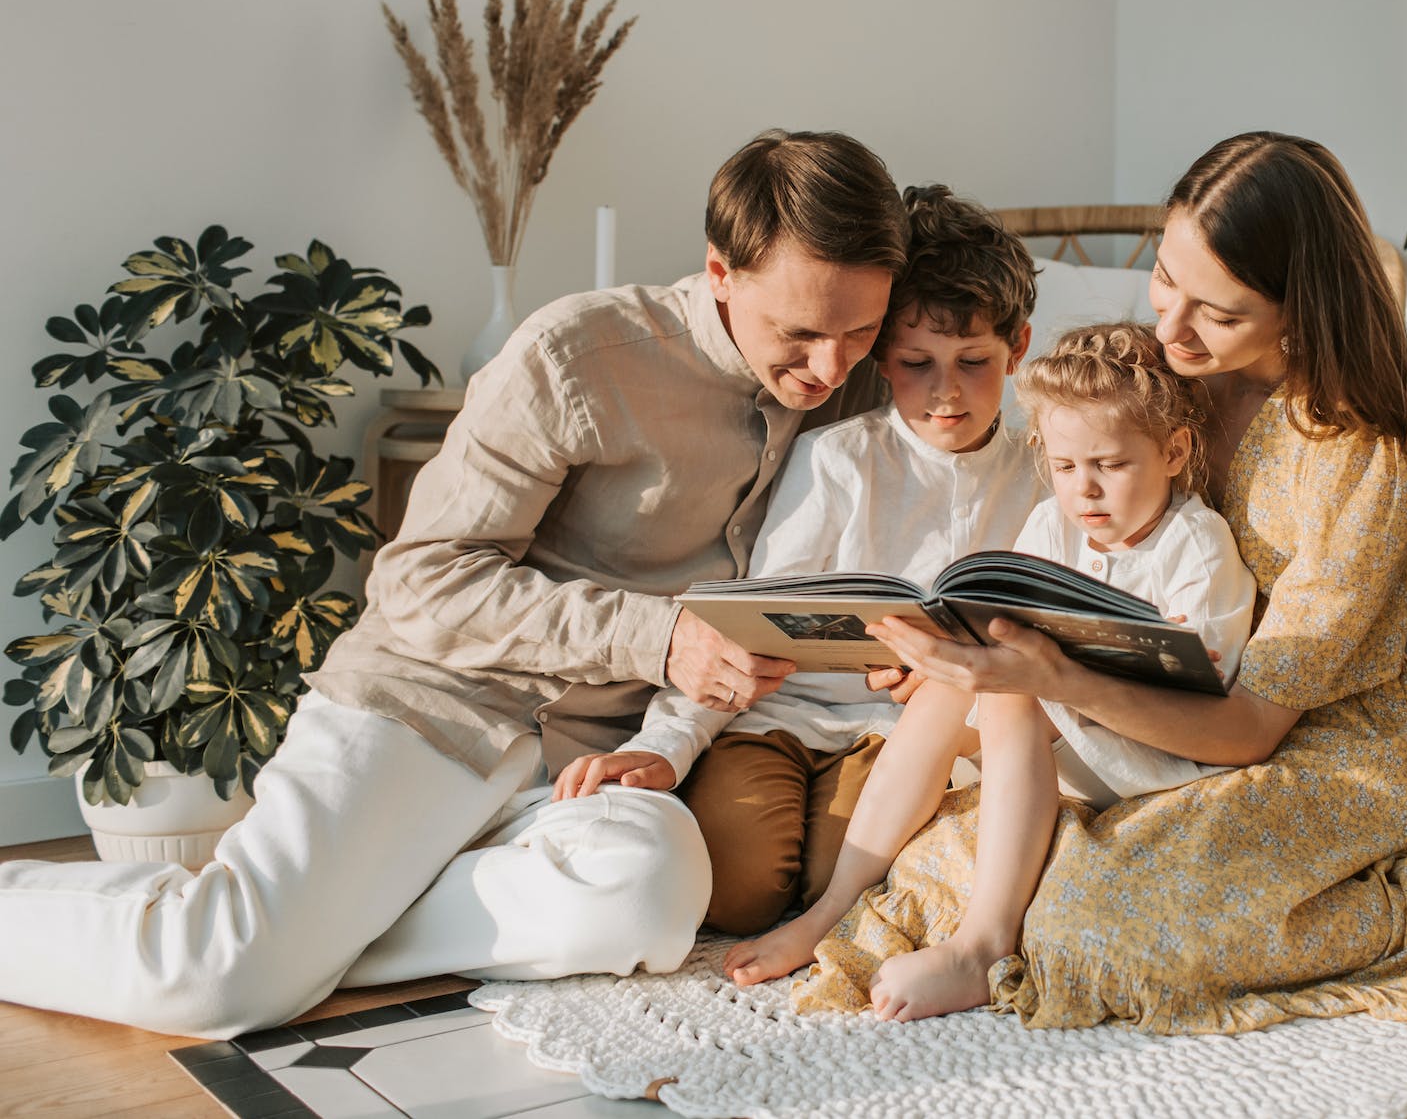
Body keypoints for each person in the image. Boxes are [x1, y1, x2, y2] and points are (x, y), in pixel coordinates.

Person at [794, 132, 1407, 1032]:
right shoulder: (1166, 387)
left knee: (1102, 932)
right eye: (1166, 279)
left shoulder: (1362, 461)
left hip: (1313, 750)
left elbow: (1250, 729)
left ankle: (1380, 901)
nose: (1170, 325)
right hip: (1138, 708)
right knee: (947, 841)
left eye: (1218, 309)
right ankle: (1010, 899)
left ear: (1300, 305)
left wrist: (1054, 680)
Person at [0, 129, 906, 1038]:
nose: (830, 369)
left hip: (581, 765)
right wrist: (657, 637)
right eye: (799, 332)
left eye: (858, 331)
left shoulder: (859, 385)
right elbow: (421, 581)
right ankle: (248, 942)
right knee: (215, 983)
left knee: (654, 897)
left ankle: (311, 939)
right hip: (429, 706)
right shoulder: (576, 355)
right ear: (720, 270)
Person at [551, 185, 1045, 938]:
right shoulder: (838, 459)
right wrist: (662, 745)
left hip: (902, 731)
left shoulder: (1045, 474)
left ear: (1019, 347)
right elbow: (748, 620)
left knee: (838, 877)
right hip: (774, 716)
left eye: (973, 361)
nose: (945, 392)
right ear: (881, 356)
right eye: (916, 363)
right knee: (737, 891)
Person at [725, 323, 1256, 1017]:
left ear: (1174, 451)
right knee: (957, 682)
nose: (1085, 490)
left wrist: (1049, 673)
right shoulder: (1050, 525)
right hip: (1072, 738)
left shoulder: (1198, 547)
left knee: (1009, 691)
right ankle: (831, 908)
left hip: (1150, 754)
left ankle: (983, 942)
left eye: (1111, 465)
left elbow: (1200, 697)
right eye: (1065, 467)